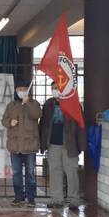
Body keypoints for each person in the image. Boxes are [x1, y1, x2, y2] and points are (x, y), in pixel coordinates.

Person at [39, 81, 87, 209]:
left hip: (70, 144)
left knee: (71, 172)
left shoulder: (73, 103)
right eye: (53, 88)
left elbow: (81, 125)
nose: (55, 90)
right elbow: (43, 124)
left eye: (57, 88)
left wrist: (81, 145)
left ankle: (74, 199)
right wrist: (42, 143)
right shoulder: (49, 104)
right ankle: (56, 199)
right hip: (53, 144)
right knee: (54, 171)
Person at [2, 81, 42, 207]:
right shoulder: (11, 105)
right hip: (15, 146)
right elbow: (3, 120)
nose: (21, 91)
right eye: (19, 89)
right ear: (16, 90)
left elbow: (37, 115)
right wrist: (9, 122)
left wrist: (28, 103)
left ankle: (31, 197)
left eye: (24, 89)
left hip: (29, 146)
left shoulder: (34, 103)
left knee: (30, 173)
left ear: (28, 90)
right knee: (17, 173)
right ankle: (19, 196)